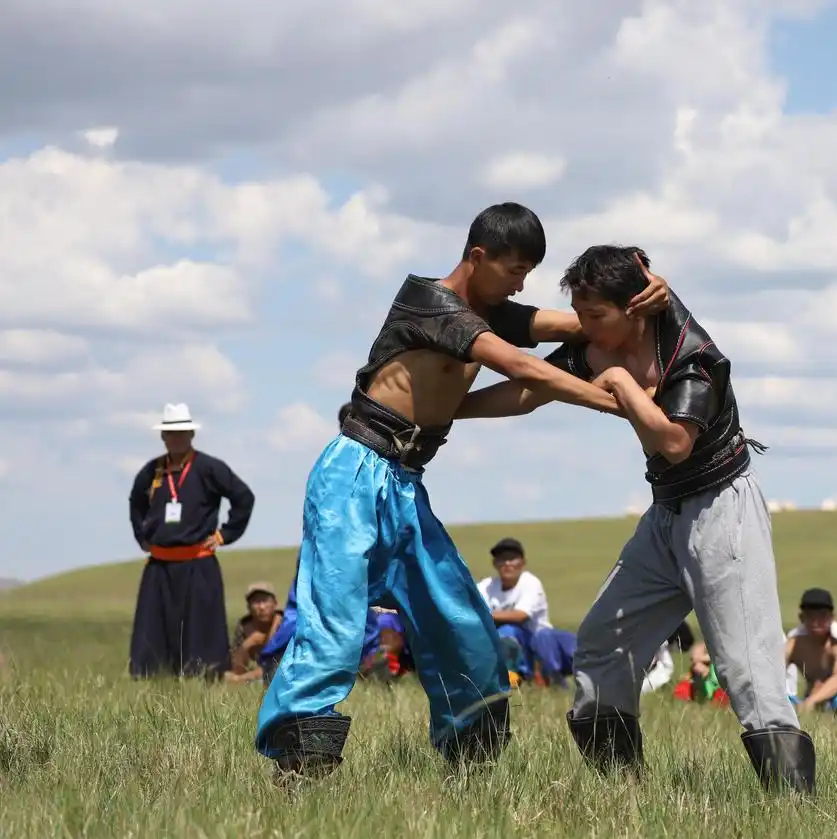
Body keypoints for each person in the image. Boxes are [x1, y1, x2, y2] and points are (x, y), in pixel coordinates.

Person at [253, 205, 671, 780]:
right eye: (514, 270)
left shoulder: (488, 311)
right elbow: (524, 368)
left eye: (528, 273)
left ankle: (471, 766)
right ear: (478, 257)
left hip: (406, 485)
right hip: (352, 475)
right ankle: (300, 767)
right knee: (336, 625)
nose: (521, 284)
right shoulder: (429, 303)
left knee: (462, 623)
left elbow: (582, 323)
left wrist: (648, 296)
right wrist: (619, 402)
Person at [455, 245, 814, 794]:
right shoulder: (599, 344)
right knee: (603, 644)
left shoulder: (692, 357)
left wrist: (622, 382)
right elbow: (531, 389)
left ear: (635, 308)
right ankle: (623, 791)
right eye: (580, 313)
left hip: (723, 512)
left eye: (596, 315)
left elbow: (674, 441)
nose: (584, 326)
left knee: (748, 668)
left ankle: (794, 807)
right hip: (666, 515)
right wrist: (446, 410)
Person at [127, 403, 255, 679]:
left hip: (198, 564)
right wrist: (142, 536)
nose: (176, 438)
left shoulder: (209, 468)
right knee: (155, 633)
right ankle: (154, 680)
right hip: (159, 566)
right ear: (163, 437)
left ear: (192, 435)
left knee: (202, 632)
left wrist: (225, 534)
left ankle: (204, 681)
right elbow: (135, 503)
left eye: (182, 433)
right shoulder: (152, 471)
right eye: (171, 433)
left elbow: (244, 497)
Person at [475, 538, 576, 687]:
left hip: (541, 645)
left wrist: (486, 616)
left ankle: (554, 679)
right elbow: (470, 609)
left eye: (512, 558)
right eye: (502, 559)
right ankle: (512, 677)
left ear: (522, 562)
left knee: (536, 635)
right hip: (506, 645)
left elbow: (521, 615)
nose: (507, 564)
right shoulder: (486, 586)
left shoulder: (530, 582)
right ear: (495, 563)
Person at [784, 588, 837, 713]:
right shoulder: (795, 643)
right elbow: (774, 671)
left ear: (832, 617)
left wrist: (811, 702)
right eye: (810, 616)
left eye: (822, 616)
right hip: (808, 698)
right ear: (802, 618)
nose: (816, 622)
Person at [225, 583, 284, 685]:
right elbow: (237, 668)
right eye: (256, 602)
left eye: (265, 601)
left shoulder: (285, 623)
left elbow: (275, 663)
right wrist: (249, 642)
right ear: (249, 607)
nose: (261, 607)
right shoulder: (244, 626)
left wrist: (240, 679)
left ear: (275, 604)